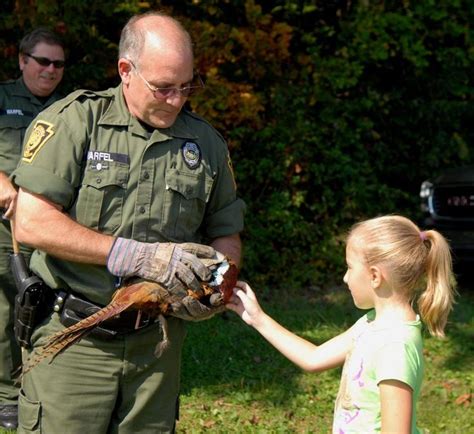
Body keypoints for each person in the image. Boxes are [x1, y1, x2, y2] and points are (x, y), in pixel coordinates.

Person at [12, 11, 244, 434]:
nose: (176, 100)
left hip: (155, 348)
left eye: (186, 86)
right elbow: (31, 223)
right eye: (163, 87)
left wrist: (215, 285)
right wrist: (135, 255)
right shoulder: (77, 121)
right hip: (75, 342)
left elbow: (226, 230)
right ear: (126, 71)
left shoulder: (204, 144)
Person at [227, 215, 455, 433]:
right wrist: (258, 318)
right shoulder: (371, 323)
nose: (345, 278)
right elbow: (313, 358)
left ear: (375, 276)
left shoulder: (396, 347)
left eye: (350, 267)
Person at [0, 27, 65, 429]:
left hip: (53, 227)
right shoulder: (3, 96)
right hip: (6, 226)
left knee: (46, 306)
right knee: (7, 309)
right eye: (43, 61)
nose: (51, 70)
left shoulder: (69, 108)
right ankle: (7, 395)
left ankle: (40, 387)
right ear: (23, 60)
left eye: (58, 64)